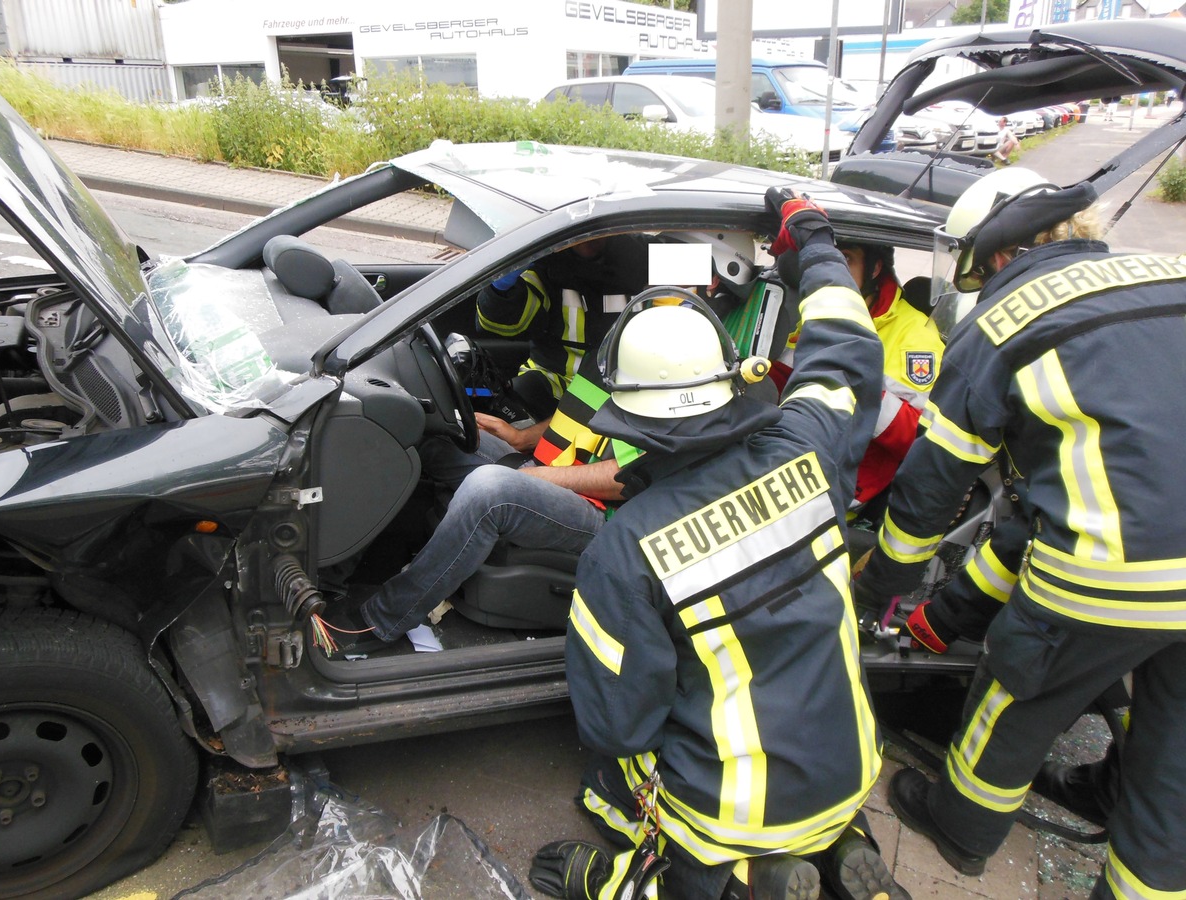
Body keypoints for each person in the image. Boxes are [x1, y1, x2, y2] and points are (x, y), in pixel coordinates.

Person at [529, 189, 910, 900]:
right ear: (731, 378)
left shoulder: (624, 552)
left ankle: (681, 878)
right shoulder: (807, 441)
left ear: (630, 419)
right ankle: (835, 845)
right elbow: (848, 351)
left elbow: (619, 722)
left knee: (613, 774)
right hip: (854, 763)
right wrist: (814, 243)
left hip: (736, 809)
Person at [853, 166, 1186, 898]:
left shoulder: (1004, 321)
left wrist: (877, 584)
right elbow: (1043, 500)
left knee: (1015, 694)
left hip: (1113, 575)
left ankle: (960, 829)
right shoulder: (1168, 273)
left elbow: (932, 490)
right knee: (1176, 757)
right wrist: (946, 614)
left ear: (998, 253)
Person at [358, 357, 638, 644]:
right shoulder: (618, 340)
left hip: (600, 511)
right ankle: (338, 570)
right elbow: (582, 414)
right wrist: (519, 438)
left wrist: (539, 477)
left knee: (488, 490)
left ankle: (382, 619)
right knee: (432, 432)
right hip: (547, 467)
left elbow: (627, 478)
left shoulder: (666, 359)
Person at [775, 241, 943, 521]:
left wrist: (860, 386)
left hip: (845, 484)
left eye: (846, 258)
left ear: (875, 268)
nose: (833, 269)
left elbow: (923, 439)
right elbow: (783, 379)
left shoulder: (916, 337)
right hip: (796, 449)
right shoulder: (822, 309)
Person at [477, 234, 653, 424]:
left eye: (596, 231)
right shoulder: (545, 262)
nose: (587, 242)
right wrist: (499, 291)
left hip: (629, 390)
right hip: (555, 383)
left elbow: (687, 278)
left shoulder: (647, 255)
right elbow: (502, 325)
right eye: (580, 238)